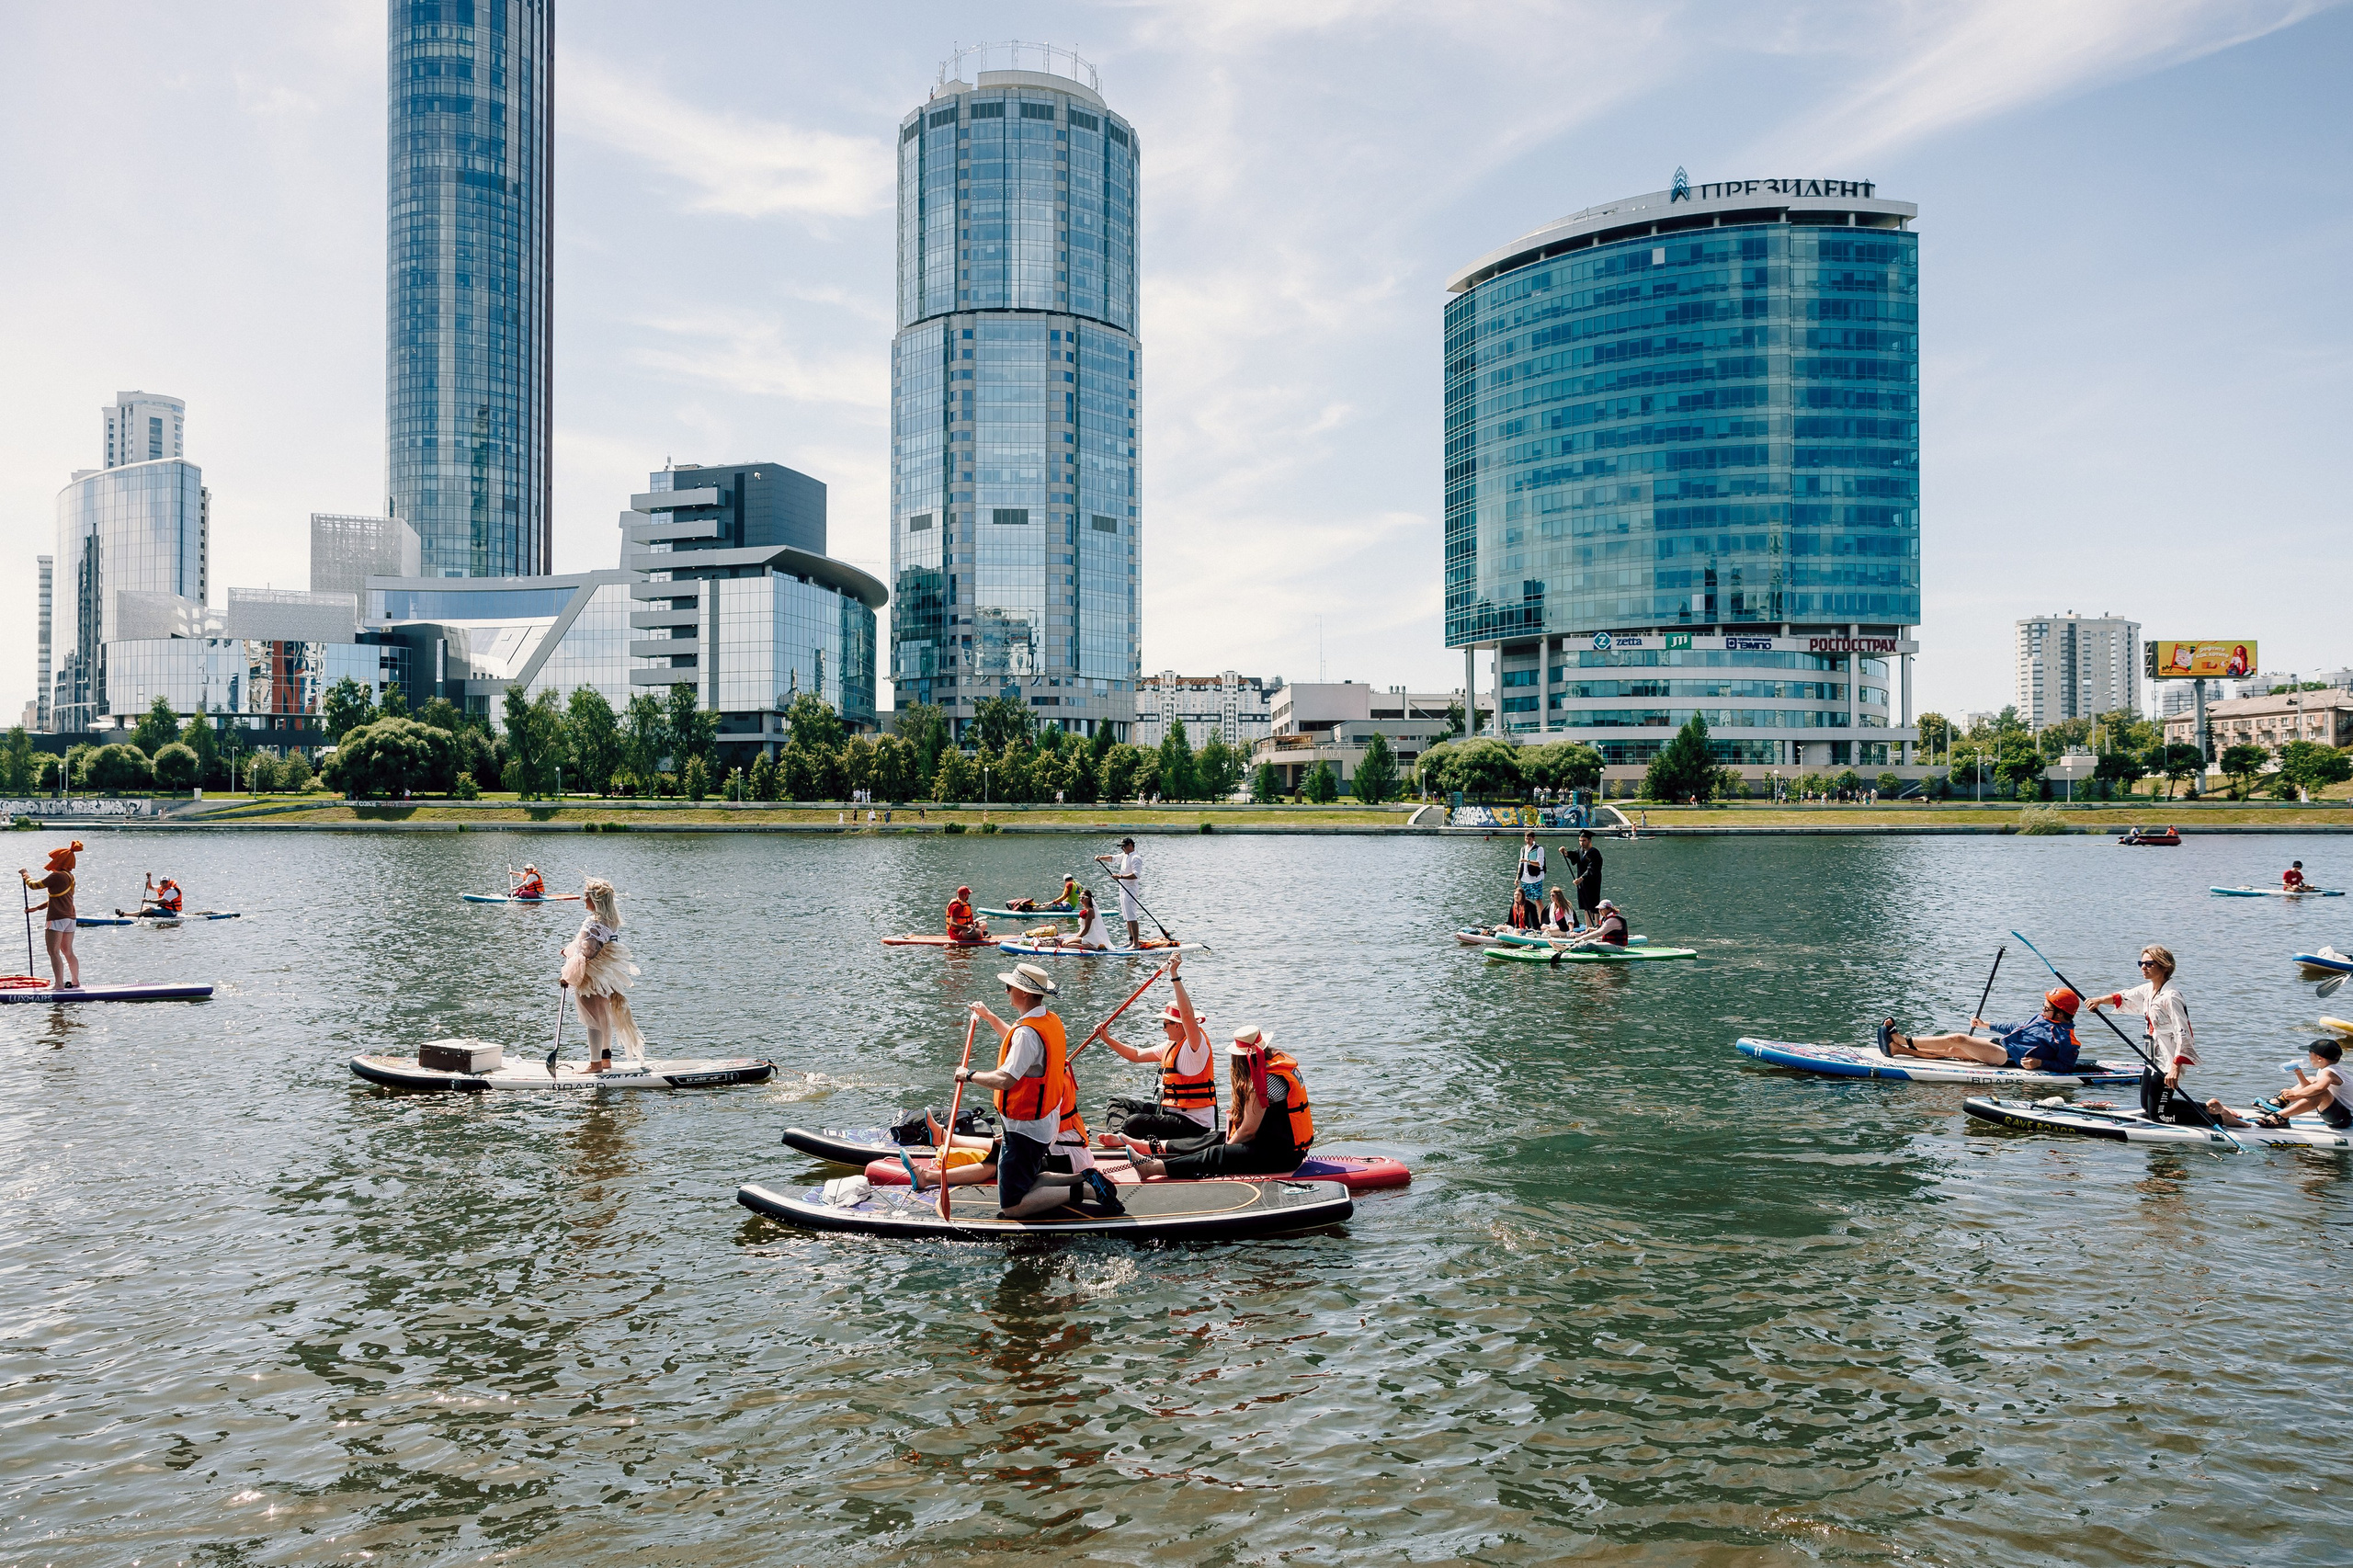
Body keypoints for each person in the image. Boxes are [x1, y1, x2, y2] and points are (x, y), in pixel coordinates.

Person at [960, 962, 1120, 1217]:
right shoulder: (1048, 1020)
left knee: (1012, 1206)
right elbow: (1019, 1048)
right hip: (1043, 1123)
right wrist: (990, 1017)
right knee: (1027, 1180)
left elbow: (1006, 1079)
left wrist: (969, 1076)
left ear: (1023, 992)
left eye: (1009, 987)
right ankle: (1082, 1178)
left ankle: (1086, 1189)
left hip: (1026, 1128)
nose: (1007, 991)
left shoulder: (1028, 1032)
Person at [1116, 1027, 1313, 1180]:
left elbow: (1248, 1131)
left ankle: (1152, 1168)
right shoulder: (1273, 1067)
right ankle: (1149, 1146)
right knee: (1213, 1137)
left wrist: (1228, 1149)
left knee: (1217, 1152)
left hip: (1281, 1156)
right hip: (1275, 1146)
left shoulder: (1264, 1082)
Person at [1097, 953, 1220, 1148]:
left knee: (1135, 1122)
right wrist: (1107, 1039)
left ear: (1179, 1025)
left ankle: (1125, 1135)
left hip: (1194, 1125)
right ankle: (1121, 1135)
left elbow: (1187, 1014)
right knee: (1117, 1102)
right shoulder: (1170, 1045)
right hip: (1170, 1113)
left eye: (1165, 1024)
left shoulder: (1195, 1046)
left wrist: (1174, 975)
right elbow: (1136, 1056)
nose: (1162, 1028)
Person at [2086, 943, 2202, 1123]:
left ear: (2164, 967)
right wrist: (2099, 1000)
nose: (2143, 967)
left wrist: (2176, 1067)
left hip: (2169, 1061)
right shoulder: (2149, 990)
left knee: (2159, 1115)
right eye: (2141, 963)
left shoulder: (2171, 996)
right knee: (2147, 1107)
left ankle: (2217, 1115)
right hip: (2152, 1059)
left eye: (2149, 964)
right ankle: (2209, 1107)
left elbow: (2184, 1032)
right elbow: (2123, 997)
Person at [1881, 989, 2083, 1073]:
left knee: (1958, 1039)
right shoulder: (2042, 1018)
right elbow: (2015, 1027)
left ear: (2060, 1014)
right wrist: (1985, 1024)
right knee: (1950, 1052)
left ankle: (1902, 1039)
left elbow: (2067, 1065)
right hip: (1999, 1045)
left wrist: (2040, 1063)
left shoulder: (2067, 1038)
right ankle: (1897, 1049)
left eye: (2047, 1008)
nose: (2042, 1009)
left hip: (2007, 1058)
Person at [560, 877, 643, 1074]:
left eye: (585, 897)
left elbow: (587, 952)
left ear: (595, 900)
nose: (583, 900)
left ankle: (594, 1064)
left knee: (592, 1019)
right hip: (606, 975)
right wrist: (569, 950)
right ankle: (605, 1060)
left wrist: (568, 976)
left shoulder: (593, 923)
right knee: (604, 1017)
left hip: (591, 977)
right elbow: (591, 945)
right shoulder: (610, 921)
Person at [2207, 1039, 2353, 1131]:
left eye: (2310, 1054)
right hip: (2338, 1114)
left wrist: (2295, 1094)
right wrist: (2299, 1074)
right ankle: (2278, 1102)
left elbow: (2319, 1089)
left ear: (2319, 1058)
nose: (2308, 1056)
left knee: (2320, 1092)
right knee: (2312, 1081)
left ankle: (2281, 1116)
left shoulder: (2329, 1072)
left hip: (2344, 1120)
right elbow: (2311, 1086)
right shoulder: (2328, 1070)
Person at [18, 840, 83, 989]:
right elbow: (57, 898)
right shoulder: (70, 877)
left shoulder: (57, 876)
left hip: (56, 918)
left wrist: (25, 874)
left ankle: (59, 984)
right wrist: (36, 908)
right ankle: (75, 981)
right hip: (70, 917)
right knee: (68, 951)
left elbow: (34, 885)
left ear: (60, 861)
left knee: (53, 952)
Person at [1097, 836, 1145, 949]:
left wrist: (1120, 876)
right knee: (1127, 916)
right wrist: (1100, 858)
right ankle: (1131, 940)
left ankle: (1136, 944)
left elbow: (1136, 875)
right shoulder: (1125, 856)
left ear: (1130, 846)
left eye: (1123, 846)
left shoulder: (1135, 858)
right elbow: (1112, 858)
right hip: (1122, 888)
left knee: (1132, 916)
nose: (1122, 849)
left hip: (1131, 889)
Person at [1038, 888, 1114, 951]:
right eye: (1079, 898)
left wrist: (1077, 937)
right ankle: (1084, 944)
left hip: (1088, 936)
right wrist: (1076, 936)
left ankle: (1087, 946)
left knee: (1064, 944)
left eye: (1083, 898)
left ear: (1088, 899)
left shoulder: (1090, 911)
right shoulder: (1086, 909)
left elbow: (1086, 929)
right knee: (1063, 941)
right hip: (1083, 935)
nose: (1081, 899)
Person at [1563, 829, 1604, 926]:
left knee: (1594, 904)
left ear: (1589, 841)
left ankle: (1597, 925)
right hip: (1582, 883)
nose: (1581, 843)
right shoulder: (1580, 851)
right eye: (1580, 840)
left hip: (1592, 882)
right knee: (1586, 905)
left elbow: (1592, 869)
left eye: (1584, 840)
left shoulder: (1595, 853)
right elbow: (1574, 855)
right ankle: (1588, 927)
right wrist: (1566, 853)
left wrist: (1581, 878)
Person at [1518, 831, 1548, 911]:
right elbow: (1520, 864)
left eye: (1529, 839)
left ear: (1534, 839)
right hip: (1525, 879)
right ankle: (1526, 920)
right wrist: (1517, 878)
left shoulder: (1539, 849)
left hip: (1536, 878)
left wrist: (1527, 861)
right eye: (1526, 839)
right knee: (1524, 901)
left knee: (1538, 901)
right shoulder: (1523, 849)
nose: (1527, 841)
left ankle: (1542, 920)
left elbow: (1540, 863)